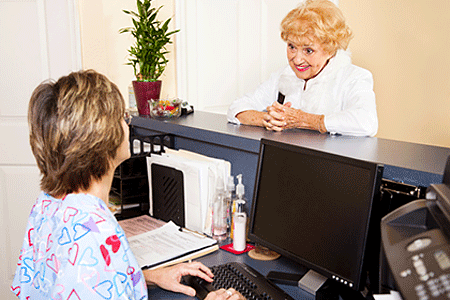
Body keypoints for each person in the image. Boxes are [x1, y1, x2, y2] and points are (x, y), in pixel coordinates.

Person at [10, 70, 243, 300]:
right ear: (103, 137)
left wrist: (148, 276)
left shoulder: (48, 203)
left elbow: (82, 281)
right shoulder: (95, 232)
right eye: (123, 118)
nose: (127, 126)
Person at [227, 0, 378, 136]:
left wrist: (306, 120)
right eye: (291, 47)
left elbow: (366, 122)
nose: (297, 59)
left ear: (330, 50)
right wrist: (266, 118)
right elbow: (237, 108)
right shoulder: (284, 75)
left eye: (308, 50)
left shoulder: (354, 77)